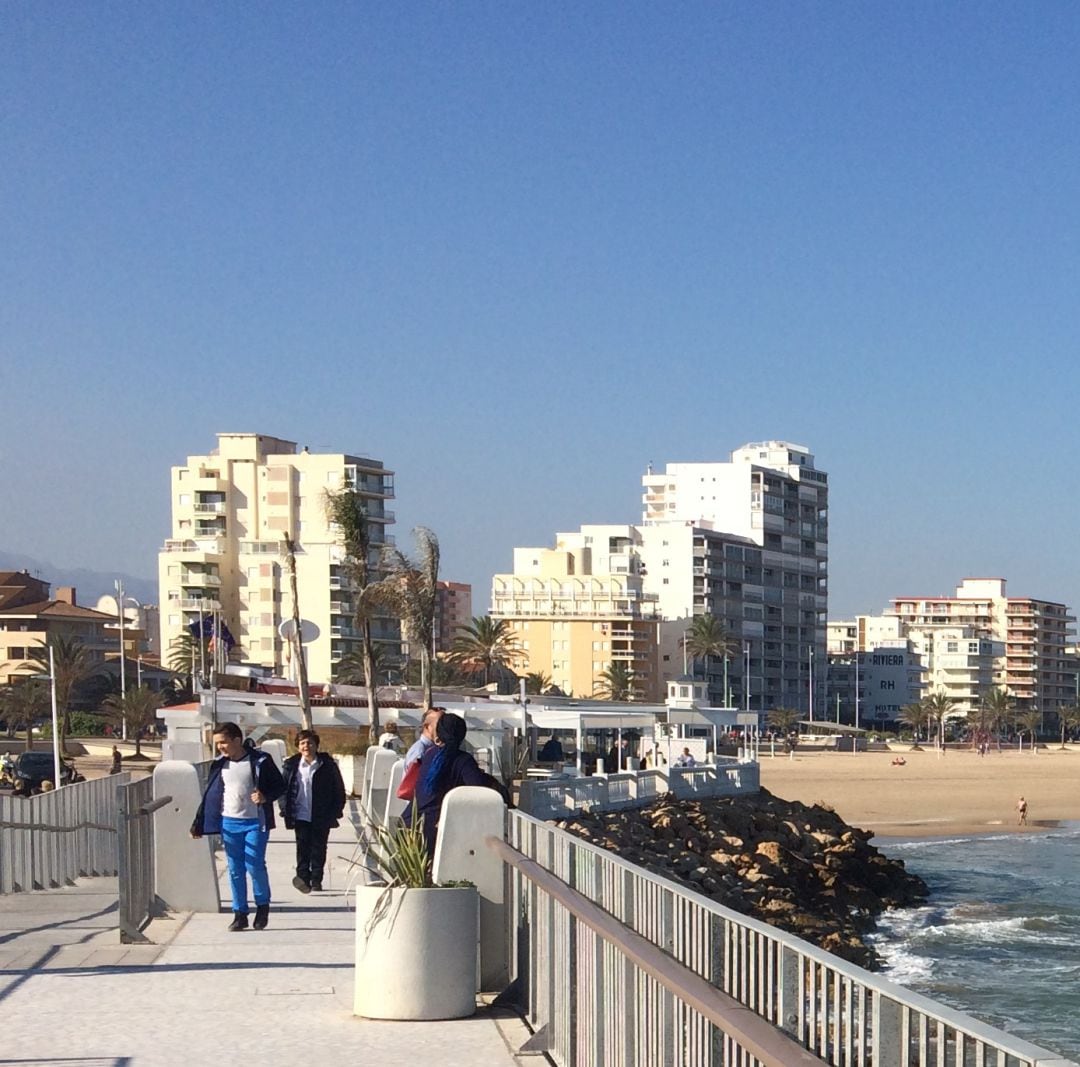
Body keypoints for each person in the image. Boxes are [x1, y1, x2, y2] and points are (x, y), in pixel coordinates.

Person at [190, 722, 286, 931]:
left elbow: (280, 785)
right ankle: (240, 913)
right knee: (235, 868)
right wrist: (199, 823)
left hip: (255, 822)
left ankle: (262, 907)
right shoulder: (219, 764)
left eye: (223, 742)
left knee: (254, 864)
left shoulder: (260, 760)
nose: (220, 747)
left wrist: (264, 796)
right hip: (229, 822)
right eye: (217, 744)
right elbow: (210, 796)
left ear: (237, 740)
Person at [416, 713, 509, 855]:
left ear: (439, 732)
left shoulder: (430, 754)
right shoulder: (463, 760)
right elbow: (481, 792)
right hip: (433, 832)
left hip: (412, 826)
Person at [279, 730, 346, 893]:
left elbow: (338, 788)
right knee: (302, 847)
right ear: (298, 746)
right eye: (302, 743)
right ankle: (303, 878)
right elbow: (283, 789)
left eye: (309, 743)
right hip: (300, 812)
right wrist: (284, 808)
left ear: (316, 745)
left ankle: (316, 879)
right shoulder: (291, 765)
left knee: (319, 848)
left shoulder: (327, 765)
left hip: (321, 813)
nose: (306, 746)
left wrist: (336, 810)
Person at [403, 708, 444, 773]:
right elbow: (414, 781)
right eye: (440, 724)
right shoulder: (419, 753)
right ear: (427, 726)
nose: (444, 727)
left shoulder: (436, 749)